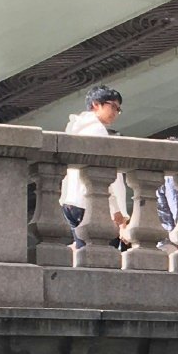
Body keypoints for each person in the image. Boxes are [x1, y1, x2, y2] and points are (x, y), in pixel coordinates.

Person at [60, 85, 135, 241]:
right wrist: (115, 209)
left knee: (83, 249)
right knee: (101, 249)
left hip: (71, 200)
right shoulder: (97, 131)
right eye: (113, 106)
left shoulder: (76, 126)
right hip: (89, 202)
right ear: (96, 104)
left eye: (118, 109)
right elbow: (103, 174)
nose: (115, 113)